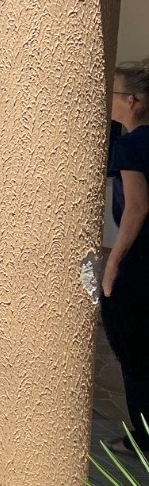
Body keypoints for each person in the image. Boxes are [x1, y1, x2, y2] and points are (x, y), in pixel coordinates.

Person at [104, 62, 149, 455]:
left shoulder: (131, 144)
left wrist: (114, 261)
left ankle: (144, 434)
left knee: (132, 345)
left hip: (141, 259)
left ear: (132, 101)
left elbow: (135, 207)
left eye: (114, 94)